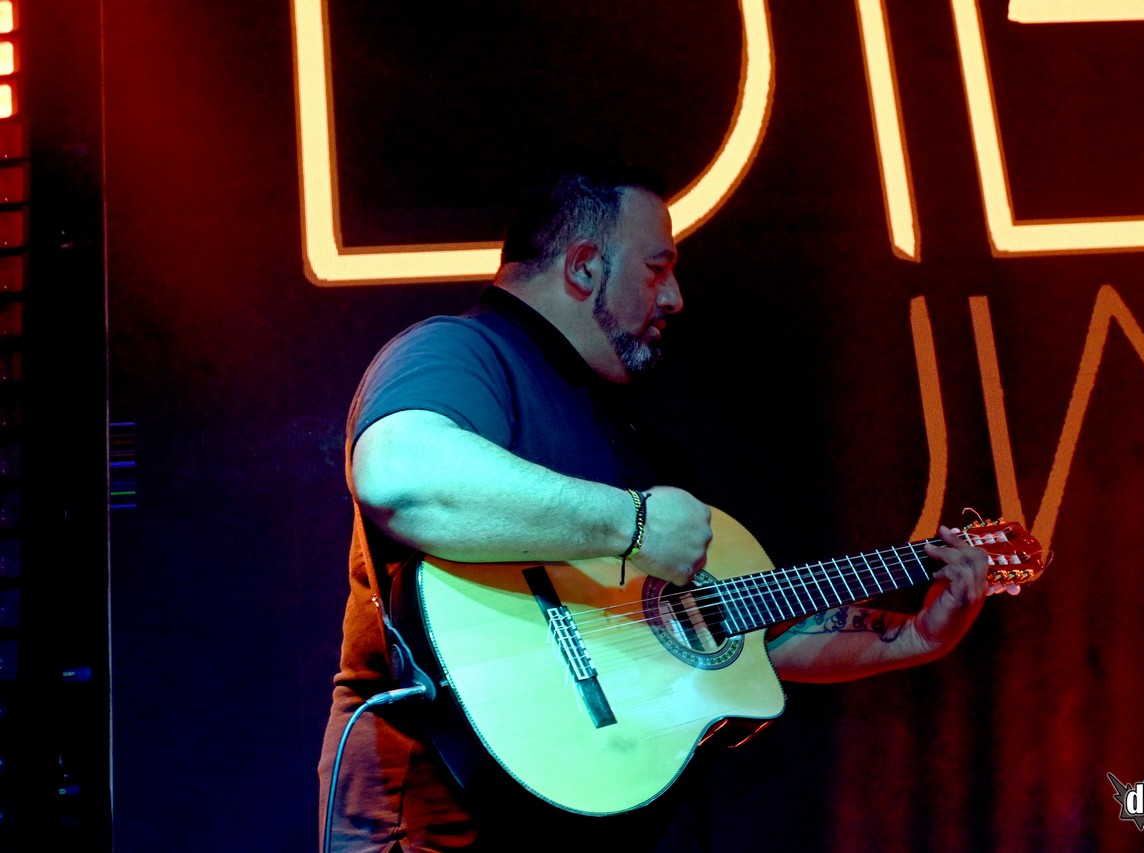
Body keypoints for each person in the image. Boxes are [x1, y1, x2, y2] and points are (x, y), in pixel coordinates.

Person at [318, 161, 995, 852]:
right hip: (448, 808)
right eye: (657, 268)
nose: (674, 297)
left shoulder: (633, 437)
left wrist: (915, 636)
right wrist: (634, 525)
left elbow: (747, 631)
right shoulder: (460, 350)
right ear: (584, 267)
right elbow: (400, 477)